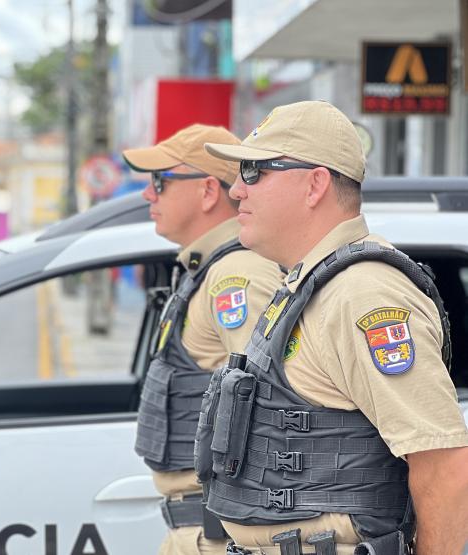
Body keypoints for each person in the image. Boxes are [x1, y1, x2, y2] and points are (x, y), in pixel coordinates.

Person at [198, 100, 468, 554]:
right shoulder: (308, 284)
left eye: (254, 172)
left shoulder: (363, 294)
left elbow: (443, 462)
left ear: (315, 184)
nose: (236, 191)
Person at [122, 124, 284, 555]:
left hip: (217, 531)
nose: (147, 195)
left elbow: (272, 401)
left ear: (209, 191)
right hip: (199, 527)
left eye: (161, 181)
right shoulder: (207, 272)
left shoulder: (237, 277)